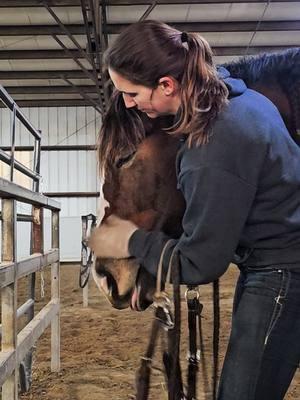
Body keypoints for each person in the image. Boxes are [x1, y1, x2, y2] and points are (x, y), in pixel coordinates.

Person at [89, 20, 300, 400]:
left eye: (131, 93)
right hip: (274, 265)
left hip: (282, 276)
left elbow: (199, 263)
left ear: (167, 86)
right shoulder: (243, 100)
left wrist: (129, 238)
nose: (127, 103)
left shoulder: (212, 144)